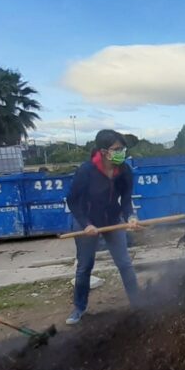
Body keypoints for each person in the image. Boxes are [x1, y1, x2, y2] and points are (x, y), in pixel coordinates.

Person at [65, 129, 141, 325]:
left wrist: (130, 216)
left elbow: (125, 200)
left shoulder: (124, 171)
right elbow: (72, 201)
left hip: (113, 220)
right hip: (87, 221)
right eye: (117, 149)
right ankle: (79, 308)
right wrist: (87, 225)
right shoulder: (86, 171)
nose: (121, 152)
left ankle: (138, 303)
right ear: (104, 151)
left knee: (125, 264)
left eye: (123, 149)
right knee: (85, 267)